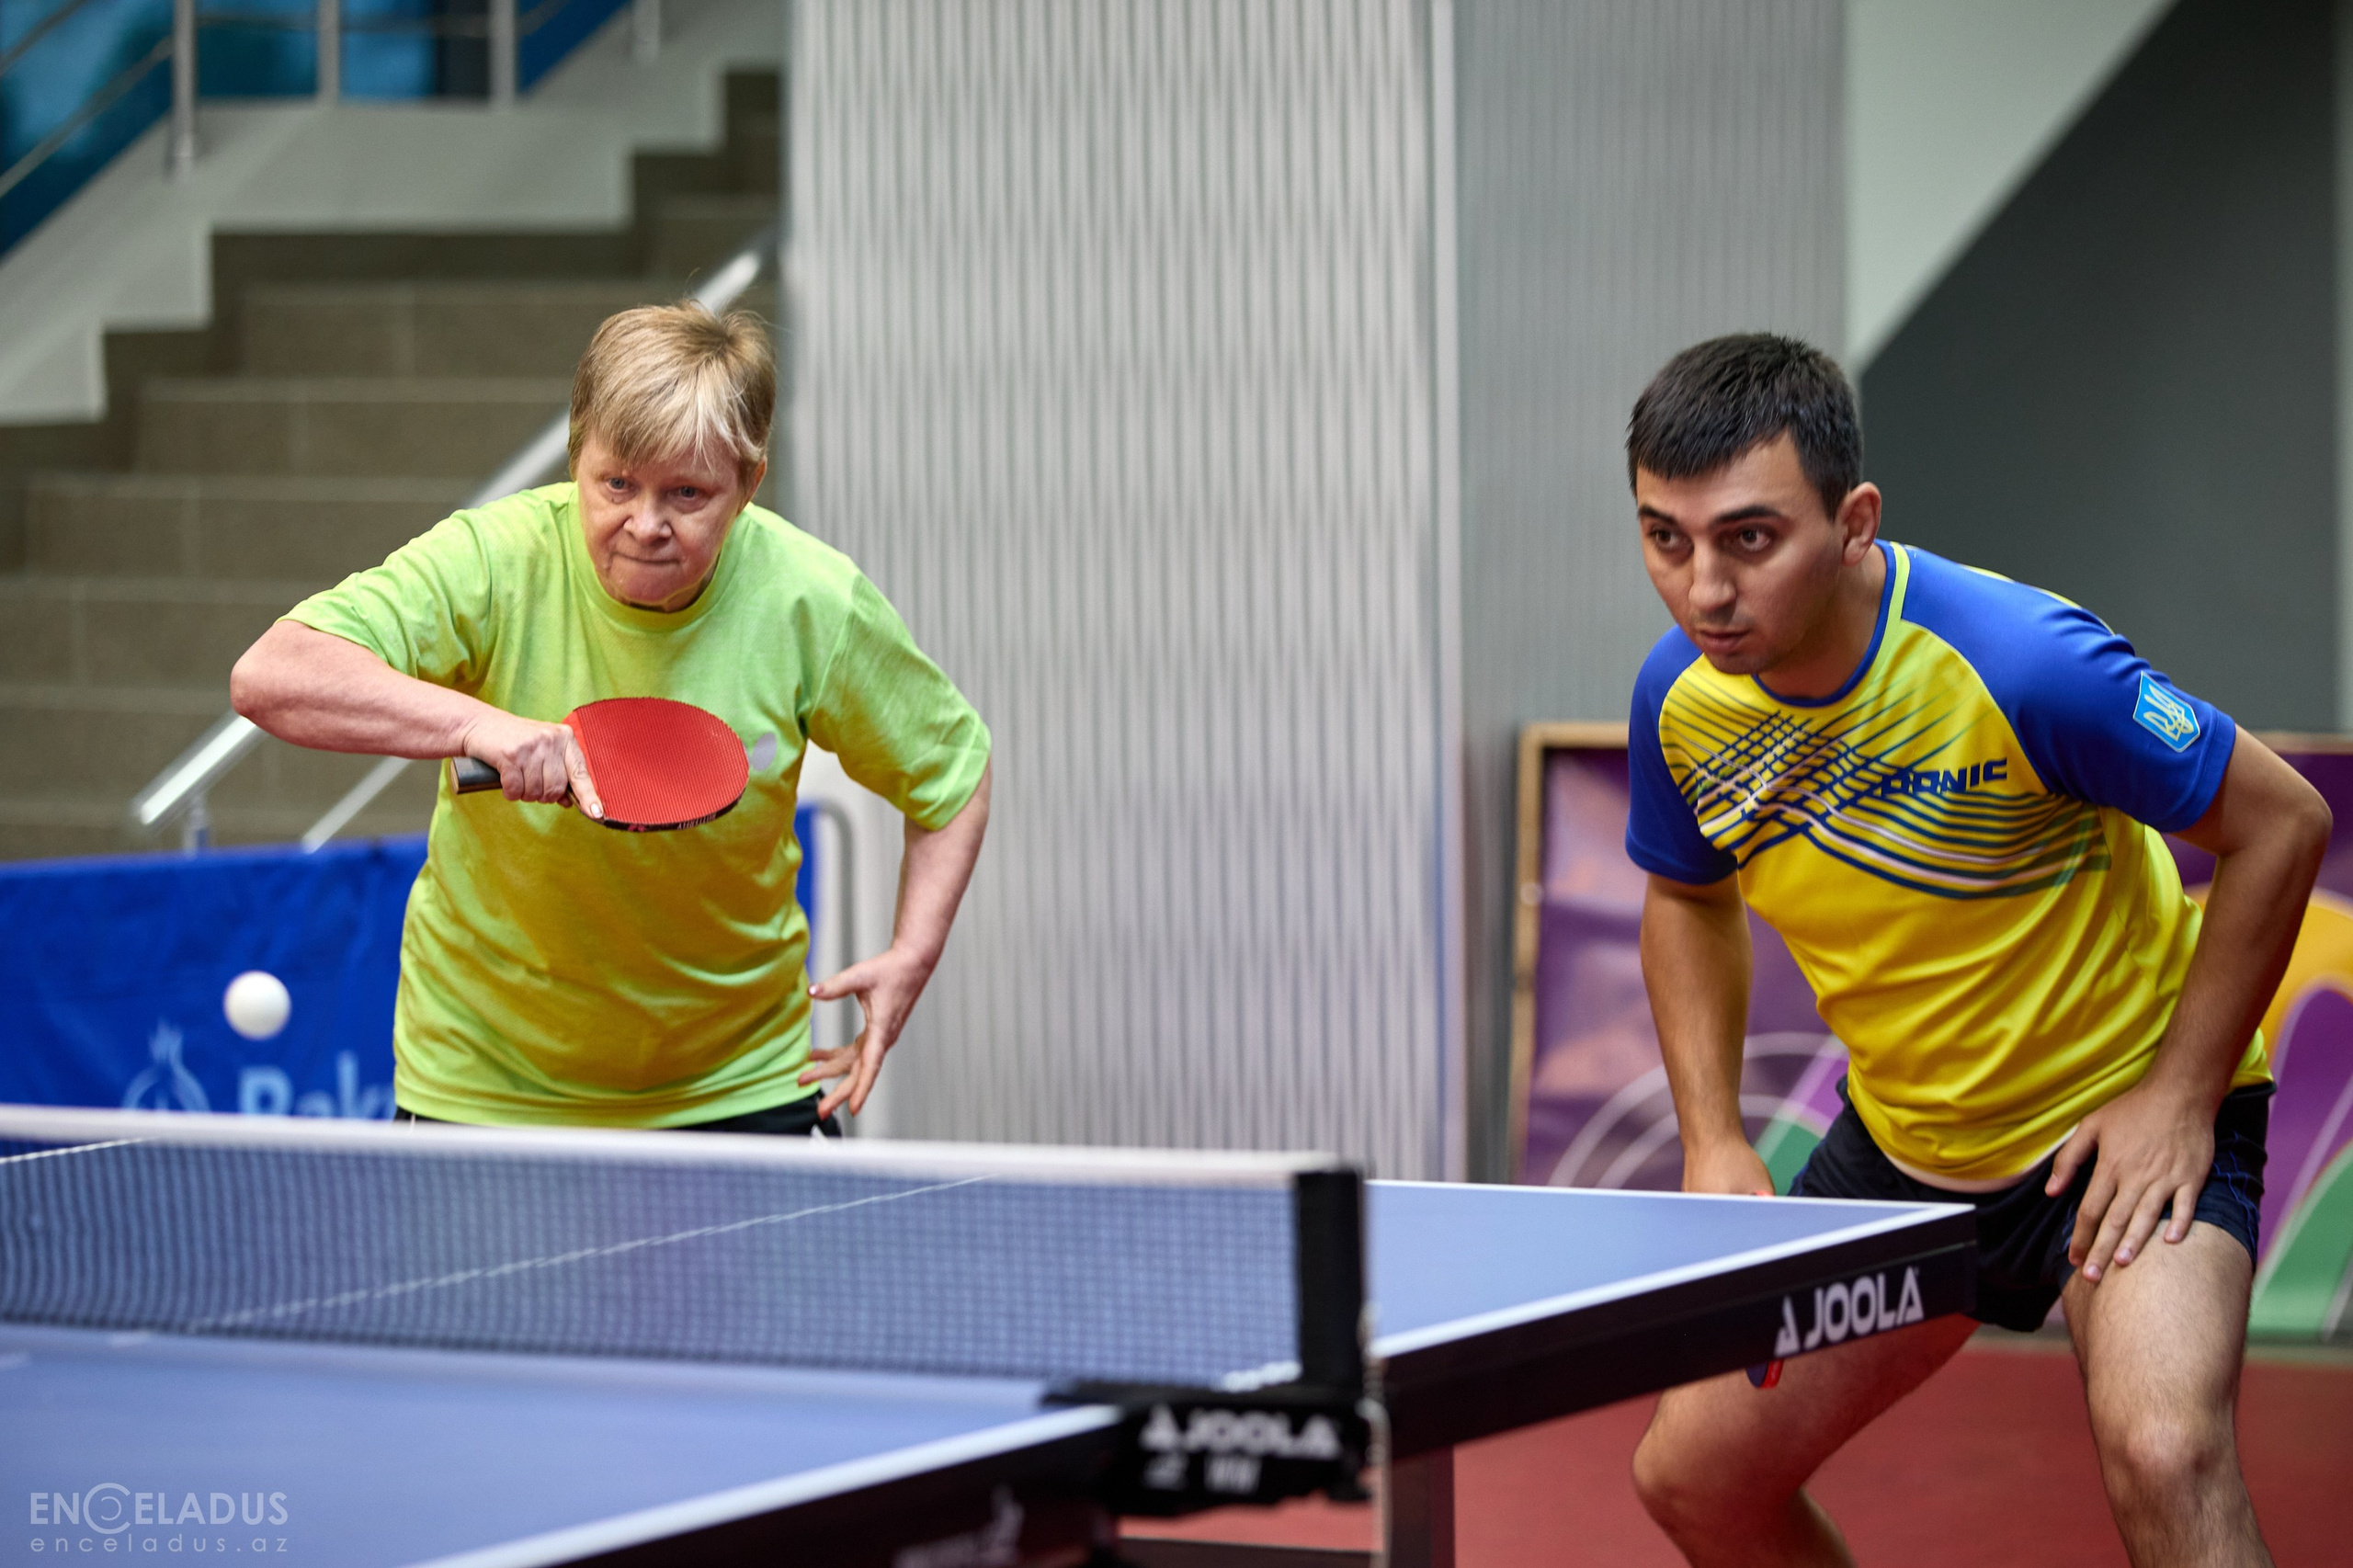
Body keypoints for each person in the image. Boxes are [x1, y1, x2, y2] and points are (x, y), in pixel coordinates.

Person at [1617, 335, 2325, 1568]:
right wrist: (1715, 1138)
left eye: (1747, 537)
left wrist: (2178, 1096)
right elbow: (1686, 899)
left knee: (2166, 1449)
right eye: (1664, 538)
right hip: (1909, 1148)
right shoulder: (1680, 699)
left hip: (2115, 1126)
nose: (1703, 591)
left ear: (1853, 521)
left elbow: (2281, 824)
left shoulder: (2023, 661)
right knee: (1696, 1480)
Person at [231, 302, 990, 1134]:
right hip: (489, 1087)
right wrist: (480, 726)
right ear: (577, 456)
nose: (646, 524)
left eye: (687, 493)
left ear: (748, 483)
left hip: (736, 1083)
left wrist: (912, 956)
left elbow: (951, 776)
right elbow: (273, 675)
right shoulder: (495, 561)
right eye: (617, 483)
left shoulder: (813, 602)